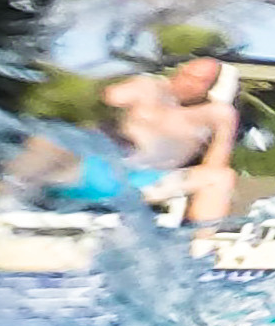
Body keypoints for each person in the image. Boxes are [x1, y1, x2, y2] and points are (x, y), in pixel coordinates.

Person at [97, 55, 242, 226]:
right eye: (185, 75)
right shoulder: (147, 88)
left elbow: (216, 164)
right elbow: (100, 101)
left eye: (199, 81)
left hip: (156, 180)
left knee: (221, 177)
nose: (188, 83)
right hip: (110, 171)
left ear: (211, 87)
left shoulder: (215, 114)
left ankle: (200, 243)